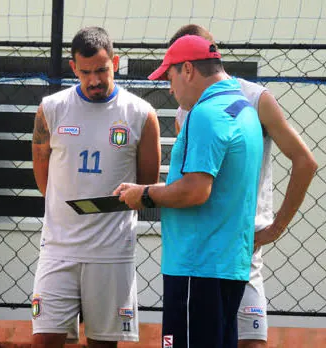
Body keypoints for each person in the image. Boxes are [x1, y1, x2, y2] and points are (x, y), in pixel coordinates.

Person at [169, 24, 318, 348]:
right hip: (203, 249)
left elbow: (305, 162)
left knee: (251, 342)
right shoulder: (185, 109)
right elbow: (192, 184)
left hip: (242, 247)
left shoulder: (255, 98)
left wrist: (274, 228)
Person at [115, 35, 265, 347]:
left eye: (169, 77)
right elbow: (213, 185)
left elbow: (196, 191)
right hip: (228, 266)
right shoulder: (243, 109)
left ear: (187, 70)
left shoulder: (206, 113)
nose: (170, 89)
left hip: (197, 268)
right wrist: (147, 188)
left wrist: (145, 195)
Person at [31, 26, 161, 348]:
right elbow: (42, 173)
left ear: (114, 62)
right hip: (58, 249)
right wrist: (67, 212)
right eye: (85, 72)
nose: (94, 80)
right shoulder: (50, 109)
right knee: (44, 340)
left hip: (111, 253)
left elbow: (145, 188)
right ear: (73, 67)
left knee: (103, 344)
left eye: (102, 70)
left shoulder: (141, 114)